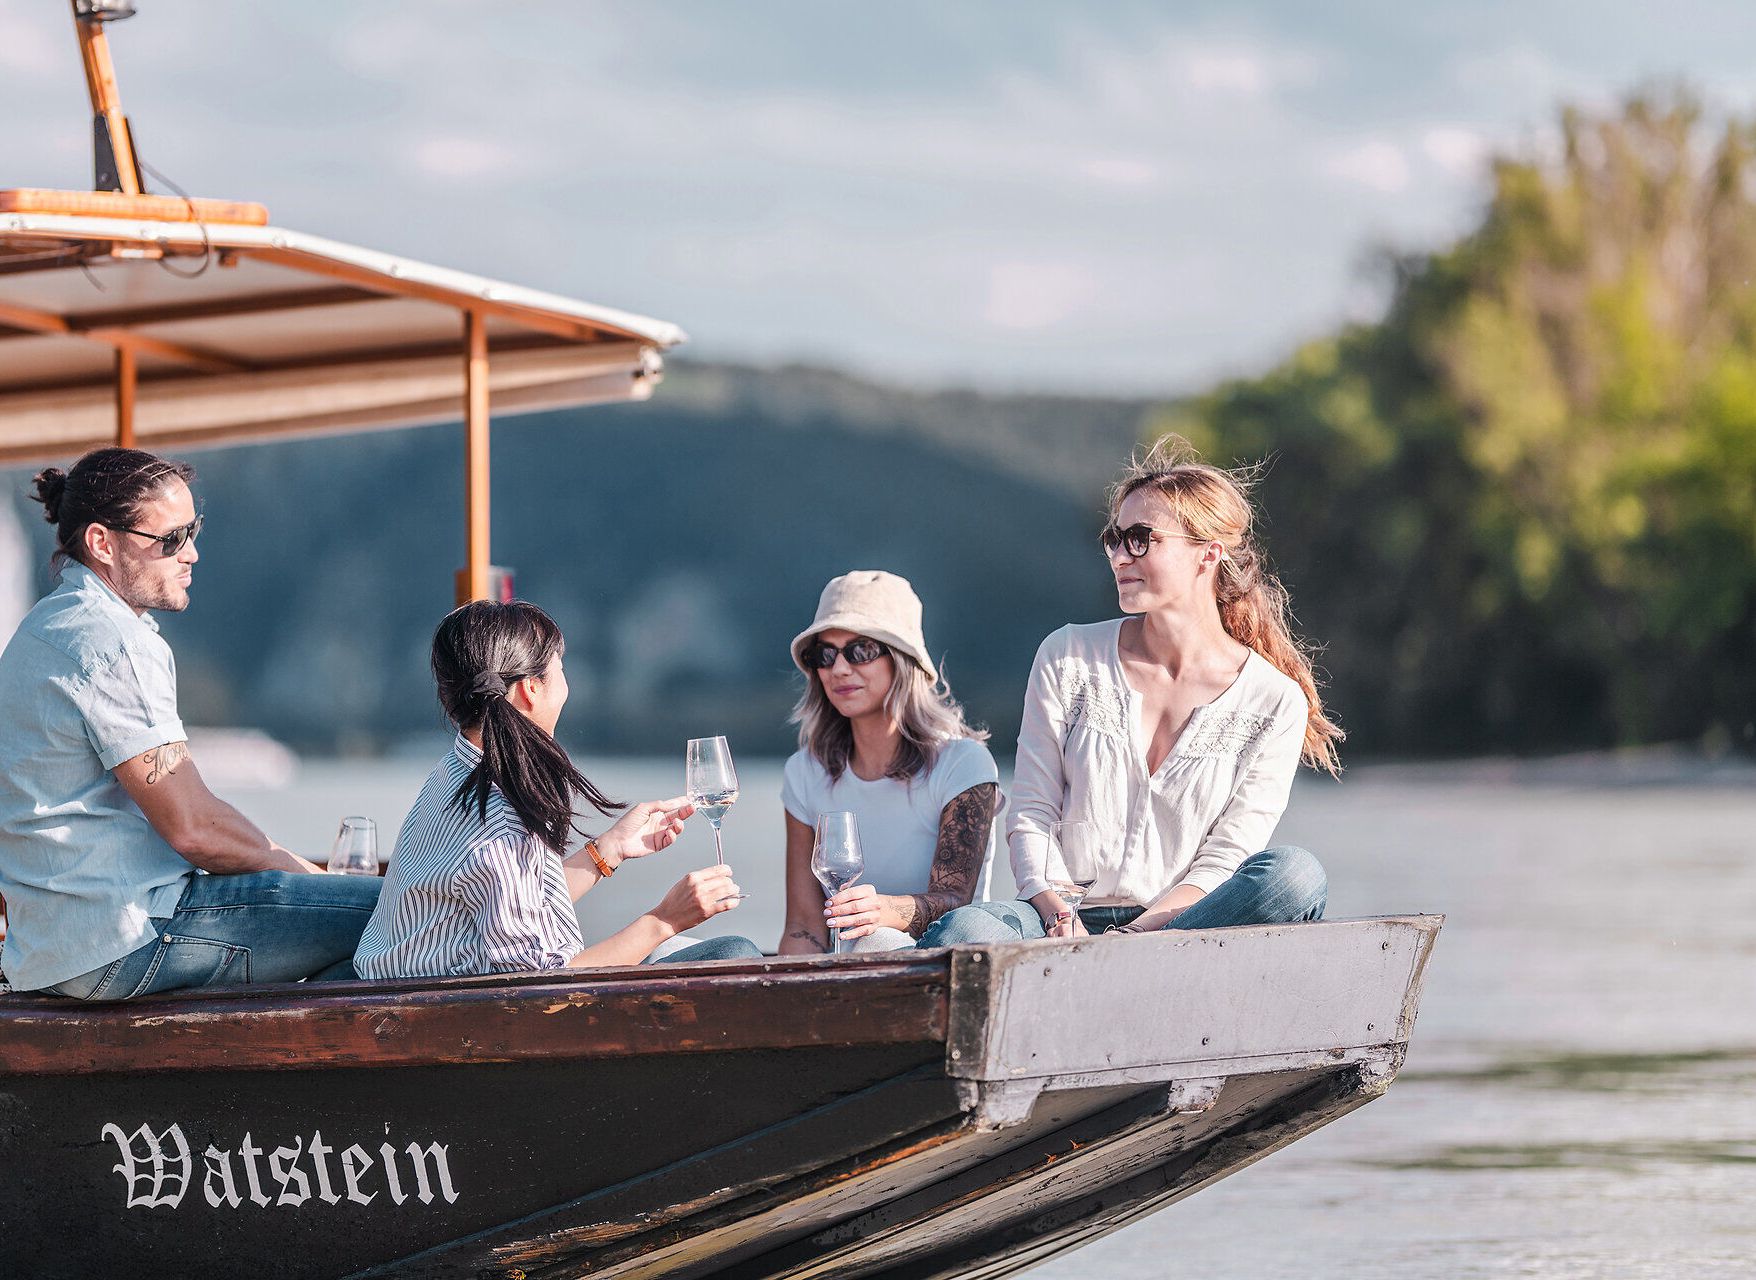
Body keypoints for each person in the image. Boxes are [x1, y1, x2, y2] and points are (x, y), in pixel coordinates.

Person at [919, 437, 1343, 947]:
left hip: (1180, 929)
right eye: (1113, 538)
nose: (1120, 556)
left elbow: (1228, 855)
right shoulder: (1068, 655)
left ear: (1207, 554)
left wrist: (1134, 936)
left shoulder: (1274, 700)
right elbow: (1032, 813)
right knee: (968, 926)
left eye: (1141, 538)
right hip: (1058, 919)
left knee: (1296, 875)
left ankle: (1130, 967)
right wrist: (1059, 916)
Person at [0, 448, 379, 1000]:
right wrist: (310, 880)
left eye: (193, 531)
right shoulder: (111, 644)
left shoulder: (39, 632)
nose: (193, 553)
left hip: (51, 950)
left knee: (355, 942)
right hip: (129, 938)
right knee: (396, 914)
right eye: (171, 539)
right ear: (102, 543)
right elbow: (194, 828)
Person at [355, 600, 761, 978]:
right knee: (735, 954)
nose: (566, 683)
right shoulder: (503, 821)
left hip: (416, 1005)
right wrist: (666, 919)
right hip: (476, 1031)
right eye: (560, 667)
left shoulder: (456, 771)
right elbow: (542, 990)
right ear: (531, 688)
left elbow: (513, 905)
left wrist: (609, 850)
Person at [777, 571, 999, 954]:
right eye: (824, 655)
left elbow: (955, 901)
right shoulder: (803, 773)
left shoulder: (964, 763)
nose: (839, 669)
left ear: (902, 661)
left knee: (874, 937)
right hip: (849, 979)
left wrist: (880, 911)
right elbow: (803, 928)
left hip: (947, 967)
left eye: (860, 650)